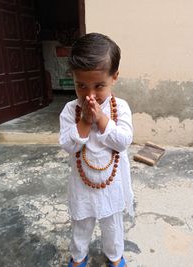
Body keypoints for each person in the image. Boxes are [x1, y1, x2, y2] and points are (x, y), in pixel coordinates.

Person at [59, 32, 134, 267]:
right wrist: (84, 123)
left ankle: (114, 256)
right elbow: (67, 145)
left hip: (112, 186)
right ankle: (79, 256)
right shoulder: (70, 111)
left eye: (99, 85)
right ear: (73, 78)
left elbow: (123, 141)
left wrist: (101, 119)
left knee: (112, 226)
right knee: (81, 224)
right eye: (81, 85)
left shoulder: (120, 108)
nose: (89, 94)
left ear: (114, 77)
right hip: (82, 187)